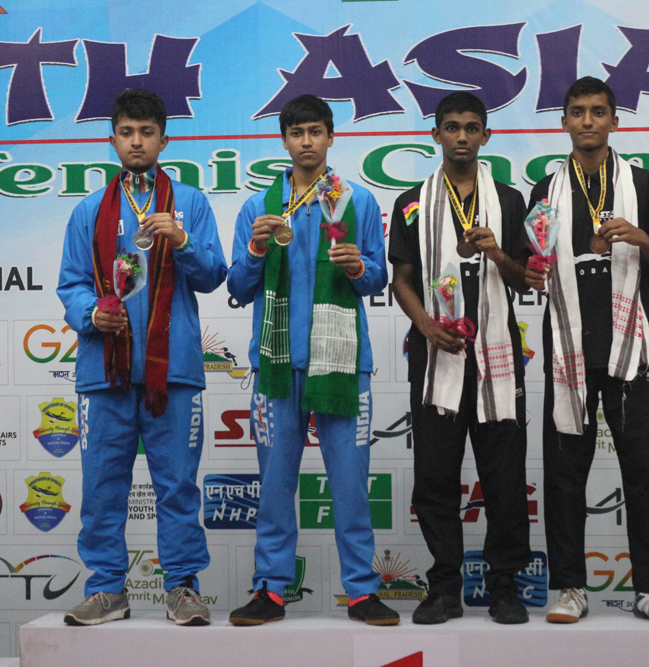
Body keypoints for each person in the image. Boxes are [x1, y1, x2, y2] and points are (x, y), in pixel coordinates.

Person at [226, 94, 398, 626]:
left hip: (341, 361)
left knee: (350, 484)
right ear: (284, 140)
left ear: (330, 137)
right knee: (276, 486)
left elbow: (378, 278)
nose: (306, 141)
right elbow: (237, 286)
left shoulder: (357, 201)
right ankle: (270, 589)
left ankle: (362, 592)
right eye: (297, 132)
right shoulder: (259, 207)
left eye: (315, 131)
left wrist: (358, 267)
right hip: (277, 367)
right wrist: (256, 251)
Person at [57, 88, 227, 626]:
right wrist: (91, 314)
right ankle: (107, 588)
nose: (136, 142)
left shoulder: (190, 203)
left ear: (164, 140)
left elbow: (214, 275)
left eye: (146, 132)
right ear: (112, 140)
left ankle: (182, 587)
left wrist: (183, 240)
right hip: (103, 369)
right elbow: (71, 284)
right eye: (127, 133)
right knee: (102, 486)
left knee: (177, 486)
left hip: (172, 369)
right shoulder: (89, 210)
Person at [524, 76, 649, 624]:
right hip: (568, 352)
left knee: (645, 471)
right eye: (577, 112)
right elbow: (533, 271)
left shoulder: (643, 183)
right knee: (564, 475)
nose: (587, 121)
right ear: (564, 122)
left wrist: (640, 238)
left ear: (615, 120)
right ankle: (569, 587)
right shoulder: (545, 190)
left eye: (598, 111)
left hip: (632, 351)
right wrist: (527, 268)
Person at [389, 92, 532, 625]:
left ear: (486, 136)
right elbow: (401, 279)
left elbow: (527, 279)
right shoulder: (411, 202)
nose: (462, 136)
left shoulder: (510, 201)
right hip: (435, 358)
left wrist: (496, 251)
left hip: (497, 357)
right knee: (435, 478)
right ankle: (445, 586)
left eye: (472, 127)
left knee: (504, 478)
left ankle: (504, 586)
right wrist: (426, 326)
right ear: (436, 135)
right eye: (452, 127)